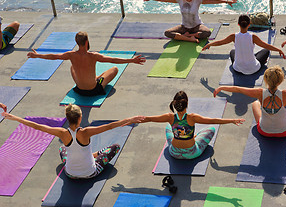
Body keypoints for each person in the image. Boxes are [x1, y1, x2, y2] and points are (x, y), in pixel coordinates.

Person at [1, 104, 144, 179]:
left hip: (70, 173)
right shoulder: (86, 132)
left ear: (68, 118)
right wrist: (130, 120)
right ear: (80, 118)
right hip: (90, 173)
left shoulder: (62, 133)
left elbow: (37, 126)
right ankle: (93, 156)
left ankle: (92, 155)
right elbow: (110, 126)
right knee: (115, 147)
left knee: (62, 149)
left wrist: (15, 118)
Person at [27, 31, 146, 96]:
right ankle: (95, 79)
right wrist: (131, 60)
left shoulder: (71, 55)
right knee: (114, 69)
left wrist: (37, 55)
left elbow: (54, 57)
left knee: (72, 67)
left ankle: (94, 78)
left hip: (79, 89)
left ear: (76, 42)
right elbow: (113, 60)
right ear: (87, 41)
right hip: (93, 90)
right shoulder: (93, 56)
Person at [139, 91, 244, 159]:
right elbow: (213, 121)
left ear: (174, 104)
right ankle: (193, 137)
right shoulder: (192, 117)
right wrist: (232, 120)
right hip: (192, 153)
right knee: (211, 129)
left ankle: (185, 137)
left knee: (168, 126)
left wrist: (132, 120)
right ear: (187, 104)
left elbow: (149, 119)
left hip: (174, 152)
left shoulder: (169, 117)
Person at [141, 0, 237, 43]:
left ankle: (187, 36)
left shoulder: (197, 0)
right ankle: (190, 39)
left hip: (196, 26)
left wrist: (227, 1)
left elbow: (212, 0)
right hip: (184, 27)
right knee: (167, 33)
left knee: (207, 33)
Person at [202, 14, 285, 75]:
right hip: (253, 68)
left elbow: (221, 42)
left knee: (232, 52)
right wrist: (278, 50)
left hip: (237, 68)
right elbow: (266, 46)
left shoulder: (233, 36)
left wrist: (209, 44)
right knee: (266, 51)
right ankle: (258, 60)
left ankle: (250, 59)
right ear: (249, 24)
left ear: (238, 24)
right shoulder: (253, 37)